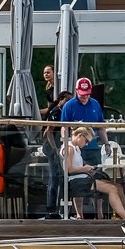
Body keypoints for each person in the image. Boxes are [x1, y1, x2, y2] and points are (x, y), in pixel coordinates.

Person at [62, 125, 125, 219]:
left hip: (82, 178)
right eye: (86, 141)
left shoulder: (75, 148)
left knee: (118, 187)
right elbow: (68, 169)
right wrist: (84, 169)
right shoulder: (69, 148)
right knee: (112, 189)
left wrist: (87, 169)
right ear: (80, 136)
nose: (86, 144)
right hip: (77, 182)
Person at [60, 78, 107, 175]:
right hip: (77, 147)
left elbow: (101, 127)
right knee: (78, 175)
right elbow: (64, 127)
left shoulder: (95, 104)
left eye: (87, 93)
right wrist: (67, 143)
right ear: (76, 91)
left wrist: (106, 143)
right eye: (82, 94)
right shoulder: (69, 105)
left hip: (93, 147)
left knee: (97, 175)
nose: (85, 96)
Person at [40, 90, 73, 218]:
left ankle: (60, 206)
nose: (69, 103)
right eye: (67, 100)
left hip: (59, 147)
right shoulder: (56, 112)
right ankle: (51, 208)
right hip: (52, 147)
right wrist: (54, 149)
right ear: (61, 100)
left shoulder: (65, 112)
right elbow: (49, 132)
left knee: (60, 176)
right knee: (54, 177)